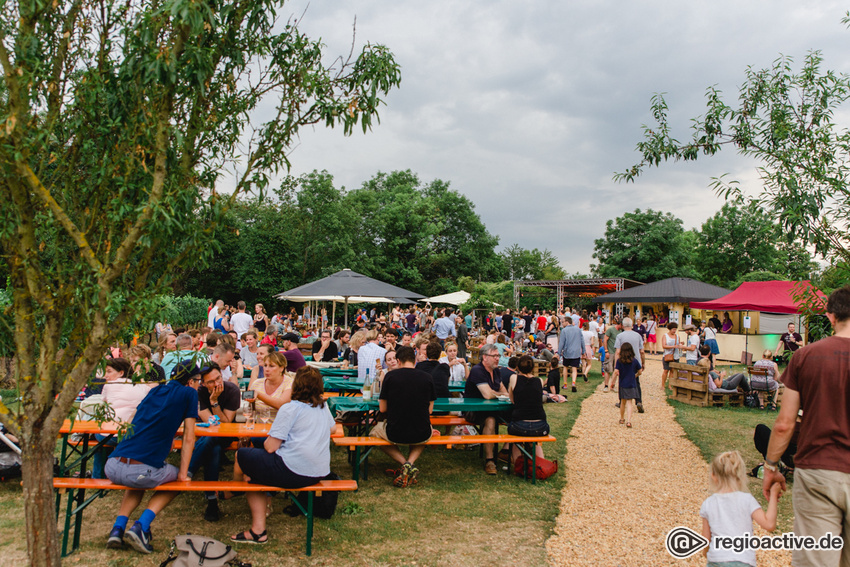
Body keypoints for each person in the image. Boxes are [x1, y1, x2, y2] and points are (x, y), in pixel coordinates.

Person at [762, 285, 850, 567]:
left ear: (830, 316)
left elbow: (785, 423)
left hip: (818, 470)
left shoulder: (806, 356)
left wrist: (771, 466)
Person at [104, 361, 201, 554]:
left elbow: (132, 420)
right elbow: (190, 437)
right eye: (198, 381)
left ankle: (118, 528)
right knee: (179, 481)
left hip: (113, 465)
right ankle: (141, 526)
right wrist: (183, 473)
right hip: (141, 469)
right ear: (191, 381)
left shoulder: (155, 391)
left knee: (137, 480)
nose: (199, 385)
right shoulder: (189, 393)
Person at [230, 367, 334, 545]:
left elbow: (270, 447)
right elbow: (332, 429)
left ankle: (233, 492)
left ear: (296, 385)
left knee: (242, 455)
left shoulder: (290, 408)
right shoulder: (322, 407)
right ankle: (256, 529)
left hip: (293, 470)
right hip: (319, 471)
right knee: (255, 471)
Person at [370, 346, 436, 487]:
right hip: (421, 431)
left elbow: (382, 408)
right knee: (425, 433)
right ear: (415, 360)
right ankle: (410, 463)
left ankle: (405, 463)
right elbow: (430, 410)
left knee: (374, 432)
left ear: (398, 361)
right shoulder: (428, 377)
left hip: (395, 432)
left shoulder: (390, 377)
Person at [701, 450, 780, 567]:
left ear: (713, 475)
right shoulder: (747, 500)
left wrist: (707, 554)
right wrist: (773, 495)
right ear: (741, 477)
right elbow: (769, 525)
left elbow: (706, 539)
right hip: (743, 561)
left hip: (716, 560)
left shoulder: (708, 503)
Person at [186, 362, 235, 522]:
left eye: (218, 378)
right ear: (203, 383)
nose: (217, 384)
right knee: (212, 449)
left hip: (227, 435)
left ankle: (189, 470)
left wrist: (214, 402)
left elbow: (225, 425)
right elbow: (211, 422)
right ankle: (212, 502)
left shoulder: (232, 390)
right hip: (208, 436)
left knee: (212, 439)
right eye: (211, 382)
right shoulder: (198, 392)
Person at [92, 358, 152, 479]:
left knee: (100, 440)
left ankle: (98, 476)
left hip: (113, 434)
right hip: (137, 433)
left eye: (109, 371)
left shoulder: (110, 385)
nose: (105, 376)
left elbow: (102, 403)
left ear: (121, 372)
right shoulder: (141, 386)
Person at [464, 344, 510, 475]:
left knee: (518, 414)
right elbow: (488, 395)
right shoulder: (477, 370)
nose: (497, 359)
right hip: (473, 410)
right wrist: (501, 394)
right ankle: (490, 460)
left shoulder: (496, 371)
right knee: (490, 420)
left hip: (493, 408)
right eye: (494, 356)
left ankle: (506, 451)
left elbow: (503, 391)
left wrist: (500, 394)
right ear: (484, 357)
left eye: (498, 356)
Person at [507, 355, 549, 463]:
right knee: (535, 439)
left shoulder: (514, 378)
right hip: (540, 425)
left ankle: (518, 465)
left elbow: (512, 399)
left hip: (519, 424)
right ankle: (541, 464)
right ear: (532, 368)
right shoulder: (539, 381)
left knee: (516, 439)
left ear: (518, 367)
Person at [613, 317, 645, 411]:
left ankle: (621, 401)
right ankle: (639, 401)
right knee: (636, 381)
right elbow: (642, 351)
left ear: (623, 325)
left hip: (623, 361)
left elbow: (617, 351)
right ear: (632, 325)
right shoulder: (638, 335)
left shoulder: (620, 336)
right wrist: (643, 363)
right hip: (635, 361)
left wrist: (616, 365)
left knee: (622, 381)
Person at [612, 343, 641, 427]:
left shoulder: (619, 361)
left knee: (622, 402)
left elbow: (616, 371)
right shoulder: (634, 361)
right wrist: (635, 376)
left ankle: (622, 418)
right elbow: (640, 371)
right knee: (629, 402)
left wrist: (612, 382)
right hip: (631, 383)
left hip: (622, 384)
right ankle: (628, 421)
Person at [558, 316, 585, 393]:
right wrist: (583, 351)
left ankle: (565, 384)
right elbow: (582, 340)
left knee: (565, 367)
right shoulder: (578, 329)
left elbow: (561, 343)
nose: (562, 323)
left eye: (563, 322)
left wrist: (559, 353)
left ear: (567, 322)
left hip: (567, 351)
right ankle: (573, 383)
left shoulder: (564, 331)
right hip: (576, 351)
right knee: (574, 369)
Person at [660, 322, 681, 390]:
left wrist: (680, 344)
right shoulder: (665, 335)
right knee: (666, 370)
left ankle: (670, 385)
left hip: (675, 356)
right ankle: (663, 385)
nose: (674, 331)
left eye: (675, 329)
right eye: (673, 329)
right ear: (670, 329)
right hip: (667, 355)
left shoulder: (677, 336)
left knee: (672, 371)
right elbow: (664, 346)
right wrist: (673, 346)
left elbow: (678, 344)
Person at [602, 318, 622, 390]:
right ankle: (606, 385)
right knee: (608, 369)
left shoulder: (620, 332)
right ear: (620, 324)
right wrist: (606, 351)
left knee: (616, 369)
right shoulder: (611, 330)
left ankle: (612, 385)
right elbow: (605, 339)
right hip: (610, 352)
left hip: (617, 353)